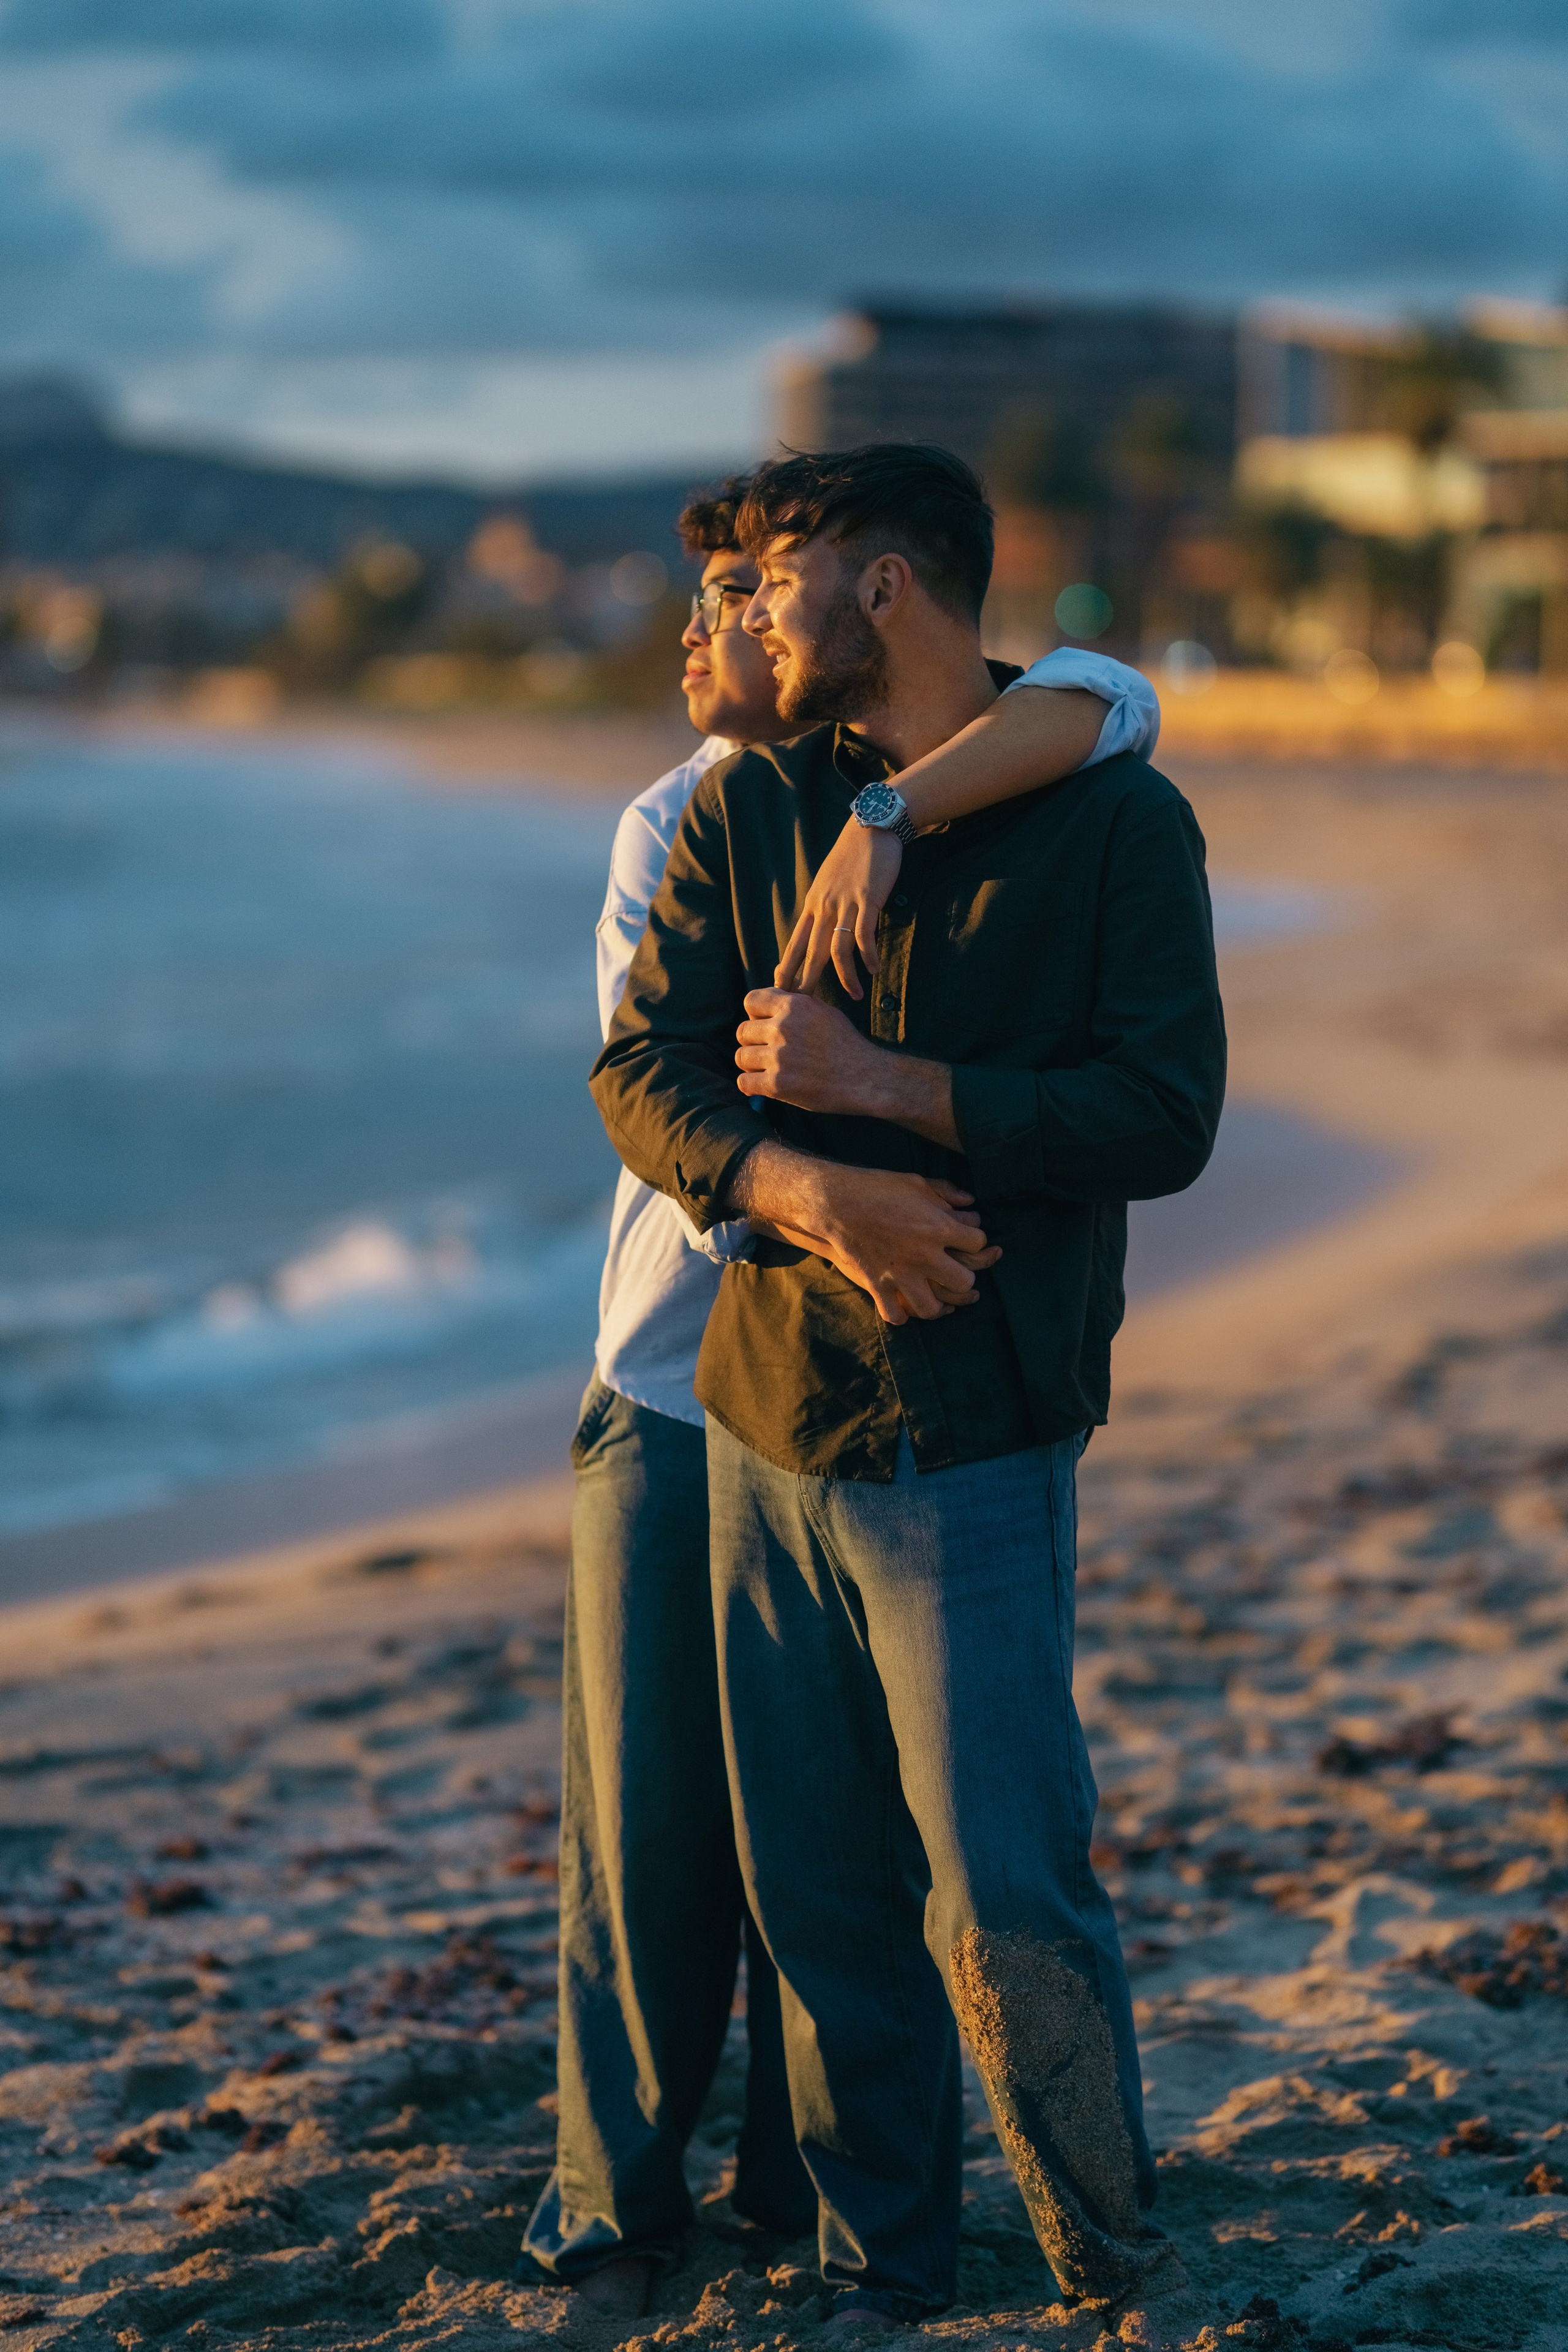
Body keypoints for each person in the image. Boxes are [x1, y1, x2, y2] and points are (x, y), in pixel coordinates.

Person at [589, 444, 1226, 2329]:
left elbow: (1162, 1117)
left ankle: (1110, 2266)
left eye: (779, 581)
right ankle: (883, 2273)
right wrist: (805, 1185)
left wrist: (889, 1093)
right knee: (821, 1901)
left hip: (980, 1427)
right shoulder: (751, 801)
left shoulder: (1116, 824)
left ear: (884, 589)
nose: (751, 615)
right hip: (760, 1414)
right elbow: (644, 1071)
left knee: (1005, 1887)